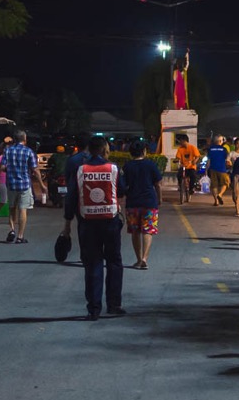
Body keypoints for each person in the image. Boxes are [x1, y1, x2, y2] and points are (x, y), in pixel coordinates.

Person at [70, 136, 126, 320]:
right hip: (110, 222)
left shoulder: (81, 170)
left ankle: (93, 309)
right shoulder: (113, 169)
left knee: (93, 264)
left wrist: (67, 223)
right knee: (114, 262)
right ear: (104, 150)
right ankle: (114, 305)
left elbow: (72, 197)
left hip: (88, 223)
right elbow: (123, 189)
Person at [122, 139, 164, 270]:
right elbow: (157, 184)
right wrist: (159, 198)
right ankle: (145, 258)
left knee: (135, 232)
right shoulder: (150, 164)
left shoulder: (127, 166)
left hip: (133, 202)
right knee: (148, 231)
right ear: (144, 151)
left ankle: (138, 259)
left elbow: (123, 186)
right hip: (149, 202)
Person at [1, 130, 46, 244]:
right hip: (24, 184)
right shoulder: (29, 151)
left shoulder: (7, 150)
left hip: (11, 184)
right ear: (24, 139)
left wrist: (11, 170)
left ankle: (12, 230)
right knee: (22, 209)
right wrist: (41, 184)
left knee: (12, 208)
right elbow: (35, 169)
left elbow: (2, 167)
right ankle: (20, 236)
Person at [61, 132, 91, 243]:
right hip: (91, 196)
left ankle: (84, 251)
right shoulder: (92, 159)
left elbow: (68, 178)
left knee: (81, 224)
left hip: (76, 195)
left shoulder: (72, 160)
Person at [174, 134, 200, 203]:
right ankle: (180, 186)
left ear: (184, 141)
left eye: (181, 141)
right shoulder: (180, 149)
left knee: (193, 175)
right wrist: (176, 160)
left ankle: (191, 188)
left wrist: (195, 161)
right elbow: (178, 157)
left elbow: (197, 156)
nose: (180, 142)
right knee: (179, 175)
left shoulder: (192, 148)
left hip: (191, 166)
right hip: (183, 166)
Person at [207, 134, 231, 206]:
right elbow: (227, 160)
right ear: (220, 141)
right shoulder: (224, 149)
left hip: (213, 169)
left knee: (214, 185)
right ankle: (220, 195)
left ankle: (216, 201)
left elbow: (208, 161)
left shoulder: (210, 149)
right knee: (226, 183)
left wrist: (206, 170)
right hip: (222, 169)